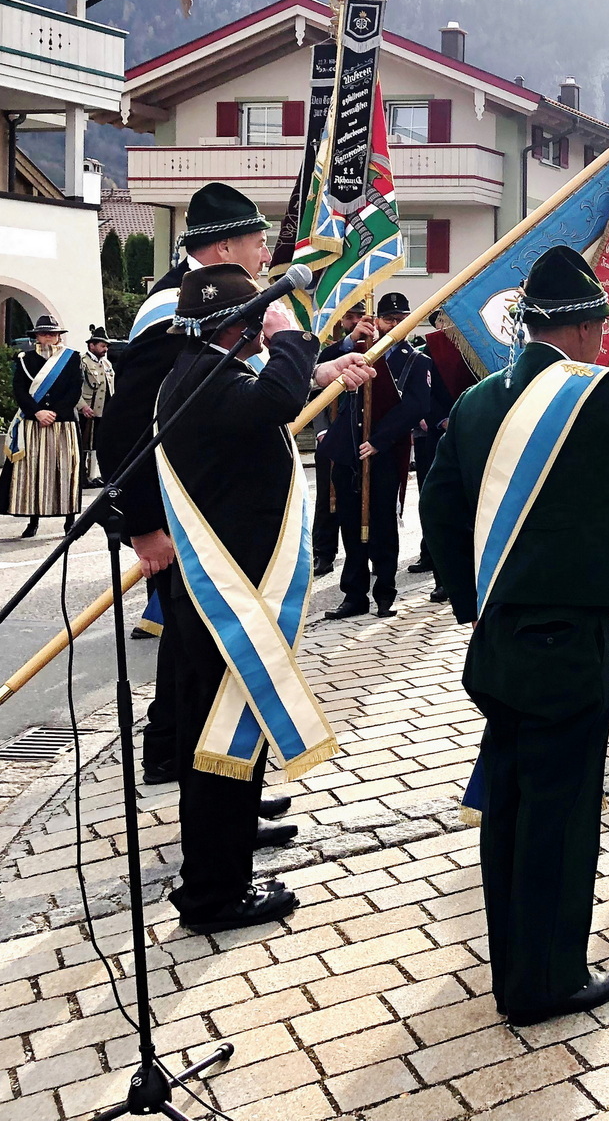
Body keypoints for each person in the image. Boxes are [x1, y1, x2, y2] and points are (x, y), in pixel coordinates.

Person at [419, 245, 609, 1025]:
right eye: (601, 328)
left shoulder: (477, 402)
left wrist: (473, 599)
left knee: (511, 803)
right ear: (580, 330)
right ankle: (546, 983)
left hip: (500, 636)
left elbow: (439, 503)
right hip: (569, 638)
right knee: (561, 810)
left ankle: (516, 966)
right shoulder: (591, 394)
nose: (603, 340)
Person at [155, 263, 373, 933]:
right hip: (231, 595)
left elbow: (263, 397)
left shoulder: (197, 373)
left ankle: (220, 875)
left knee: (220, 742)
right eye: (256, 320)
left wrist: (318, 368)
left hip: (220, 591)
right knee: (220, 742)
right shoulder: (214, 382)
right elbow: (269, 401)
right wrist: (292, 336)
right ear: (241, 326)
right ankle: (215, 895)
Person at [101, 182, 268, 780]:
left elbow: (236, 386)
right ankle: (192, 769)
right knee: (197, 648)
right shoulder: (172, 307)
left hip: (211, 504)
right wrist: (143, 524)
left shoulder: (214, 297)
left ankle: (184, 760)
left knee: (194, 646)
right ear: (223, 248)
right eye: (257, 241)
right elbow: (126, 423)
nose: (265, 253)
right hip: (181, 511)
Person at [324, 292, 428, 619]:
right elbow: (320, 365)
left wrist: (379, 440)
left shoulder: (416, 360)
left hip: (384, 452)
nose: (395, 325)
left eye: (401, 320)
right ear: (377, 321)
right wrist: (350, 340)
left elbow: (415, 405)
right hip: (348, 450)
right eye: (388, 319)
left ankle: (385, 592)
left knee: (382, 526)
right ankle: (354, 595)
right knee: (350, 526)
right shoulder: (357, 350)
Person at [0, 314, 83, 537]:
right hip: (34, 423)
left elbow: (75, 389)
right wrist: (37, 412)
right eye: (44, 333)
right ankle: (33, 521)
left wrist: (55, 412)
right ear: (37, 337)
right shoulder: (25, 359)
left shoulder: (72, 358)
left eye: (52, 333)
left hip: (63, 423)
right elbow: (19, 390)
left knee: (66, 471)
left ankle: (69, 520)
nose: (48, 337)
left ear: (59, 336)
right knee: (33, 472)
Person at [412, 312, 478, 599]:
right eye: (442, 320)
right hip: (440, 436)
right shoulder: (428, 351)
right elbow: (423, 394)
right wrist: (443, 420)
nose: (447, 325)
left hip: (474, 434)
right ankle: (444, 579)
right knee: (441, 506)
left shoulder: (477, 346)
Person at [313, 304, 370, 576]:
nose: (356, 322)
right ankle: (324, 552)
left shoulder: (374, 349)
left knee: (360, 498)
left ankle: (366, 554)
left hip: (362, 435)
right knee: (327, 498)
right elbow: (316, 391)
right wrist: (322, 431)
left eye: (361, 317)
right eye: (350, 317)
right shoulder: (333, 350)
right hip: (331, 435)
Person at [77, 325, 115, 488]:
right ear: (91, 345)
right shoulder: (82, 362)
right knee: (84, 445)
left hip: (103, 411)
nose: (105, 349)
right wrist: (82, 406)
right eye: (102, 345)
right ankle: (82, 476)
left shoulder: (106, 364)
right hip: (87, 411)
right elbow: (74, 387)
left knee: (99, 444)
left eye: (106, 346)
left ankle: (96, 475)